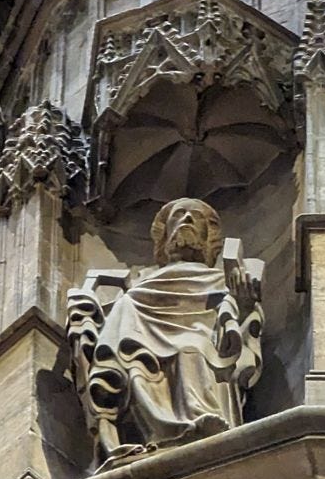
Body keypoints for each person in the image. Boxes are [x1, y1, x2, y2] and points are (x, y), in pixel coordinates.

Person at [67, 198, 262, 464]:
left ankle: (199, 422)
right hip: (142, 347)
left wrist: (244, 304)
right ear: (165, 234)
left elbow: (241, 324)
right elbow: (123, 314)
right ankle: (163, 434)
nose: (187, 219)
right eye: (179, 215)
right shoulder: (142, 282)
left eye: (196, 217)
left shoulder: (223, 279)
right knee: (132, 352)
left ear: (209, 236)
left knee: (190, 350)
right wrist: (87, 311)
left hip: (205, 344)